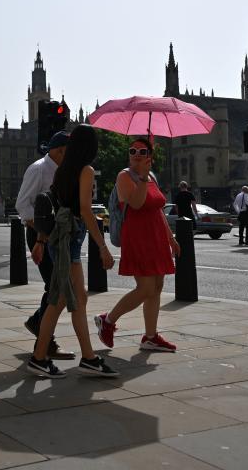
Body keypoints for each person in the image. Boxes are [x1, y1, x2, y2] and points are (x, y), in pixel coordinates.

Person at [30, 124, 117, 378]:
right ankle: (41, 358)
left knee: (73, 300)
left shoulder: (63, 170)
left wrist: (41, 241)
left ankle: (86, 357)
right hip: (70, 241)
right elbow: (86, 210)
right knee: (62, 301)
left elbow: (54, 206)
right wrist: (102, 246)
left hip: (62, 240)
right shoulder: (86, 170)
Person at [95, 137, 181, 353]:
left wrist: (171, 238)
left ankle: (150, 337)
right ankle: (108, 320)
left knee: (157, 287)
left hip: (156, 236)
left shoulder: (152, 176)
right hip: (138, 237)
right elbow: (135, 203)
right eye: (132, 151)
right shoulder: (124, 176)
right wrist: (142, 177)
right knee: (145, 288)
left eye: (142, 151)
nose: (135, 154)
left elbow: (158, 210)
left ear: (149, 157)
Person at [15, 130, 74, 361]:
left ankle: (38, 324)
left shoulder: (62, 170)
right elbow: (22, 205)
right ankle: (44, 339)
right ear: (59, 151)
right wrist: (43, 229)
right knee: (55, 287)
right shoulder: (38, 169)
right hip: (39, 235)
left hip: (56, 236)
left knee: (56, 286)